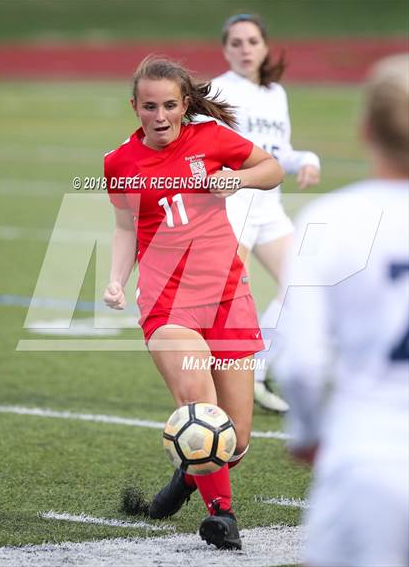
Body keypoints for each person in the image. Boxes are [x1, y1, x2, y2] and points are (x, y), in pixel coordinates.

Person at [103, 56, 284, 550]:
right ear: (134, 106)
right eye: (148, 107)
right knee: (196, 393)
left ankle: (189, 473)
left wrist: (237, 179)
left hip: (228, 298)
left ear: (184, 104)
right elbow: (125, 228)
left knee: (236, 438)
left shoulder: (210, 139)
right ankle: (221, 514)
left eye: (168, 106)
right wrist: (117, 280)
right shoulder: (119, 162)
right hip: (168, 306)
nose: (159, 117)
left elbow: (272, 168)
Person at [275, 53, 409, 566]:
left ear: (366, 129)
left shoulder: (330, 218)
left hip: (366, 458)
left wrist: (307, 434)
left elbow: (302, 364)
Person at [208, 14, 321, 412]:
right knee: (232, 302)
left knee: (303, 283)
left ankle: (256, 370)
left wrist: (306, 158)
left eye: (252, 41)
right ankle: (220, 385)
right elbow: (200, 150)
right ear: (225, 49)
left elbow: (278, 153)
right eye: (236, 43)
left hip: (268, 208)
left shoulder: (276, 93)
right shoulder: (216, 91)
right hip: (232, 206)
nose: (245, 50)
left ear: (265, 46)